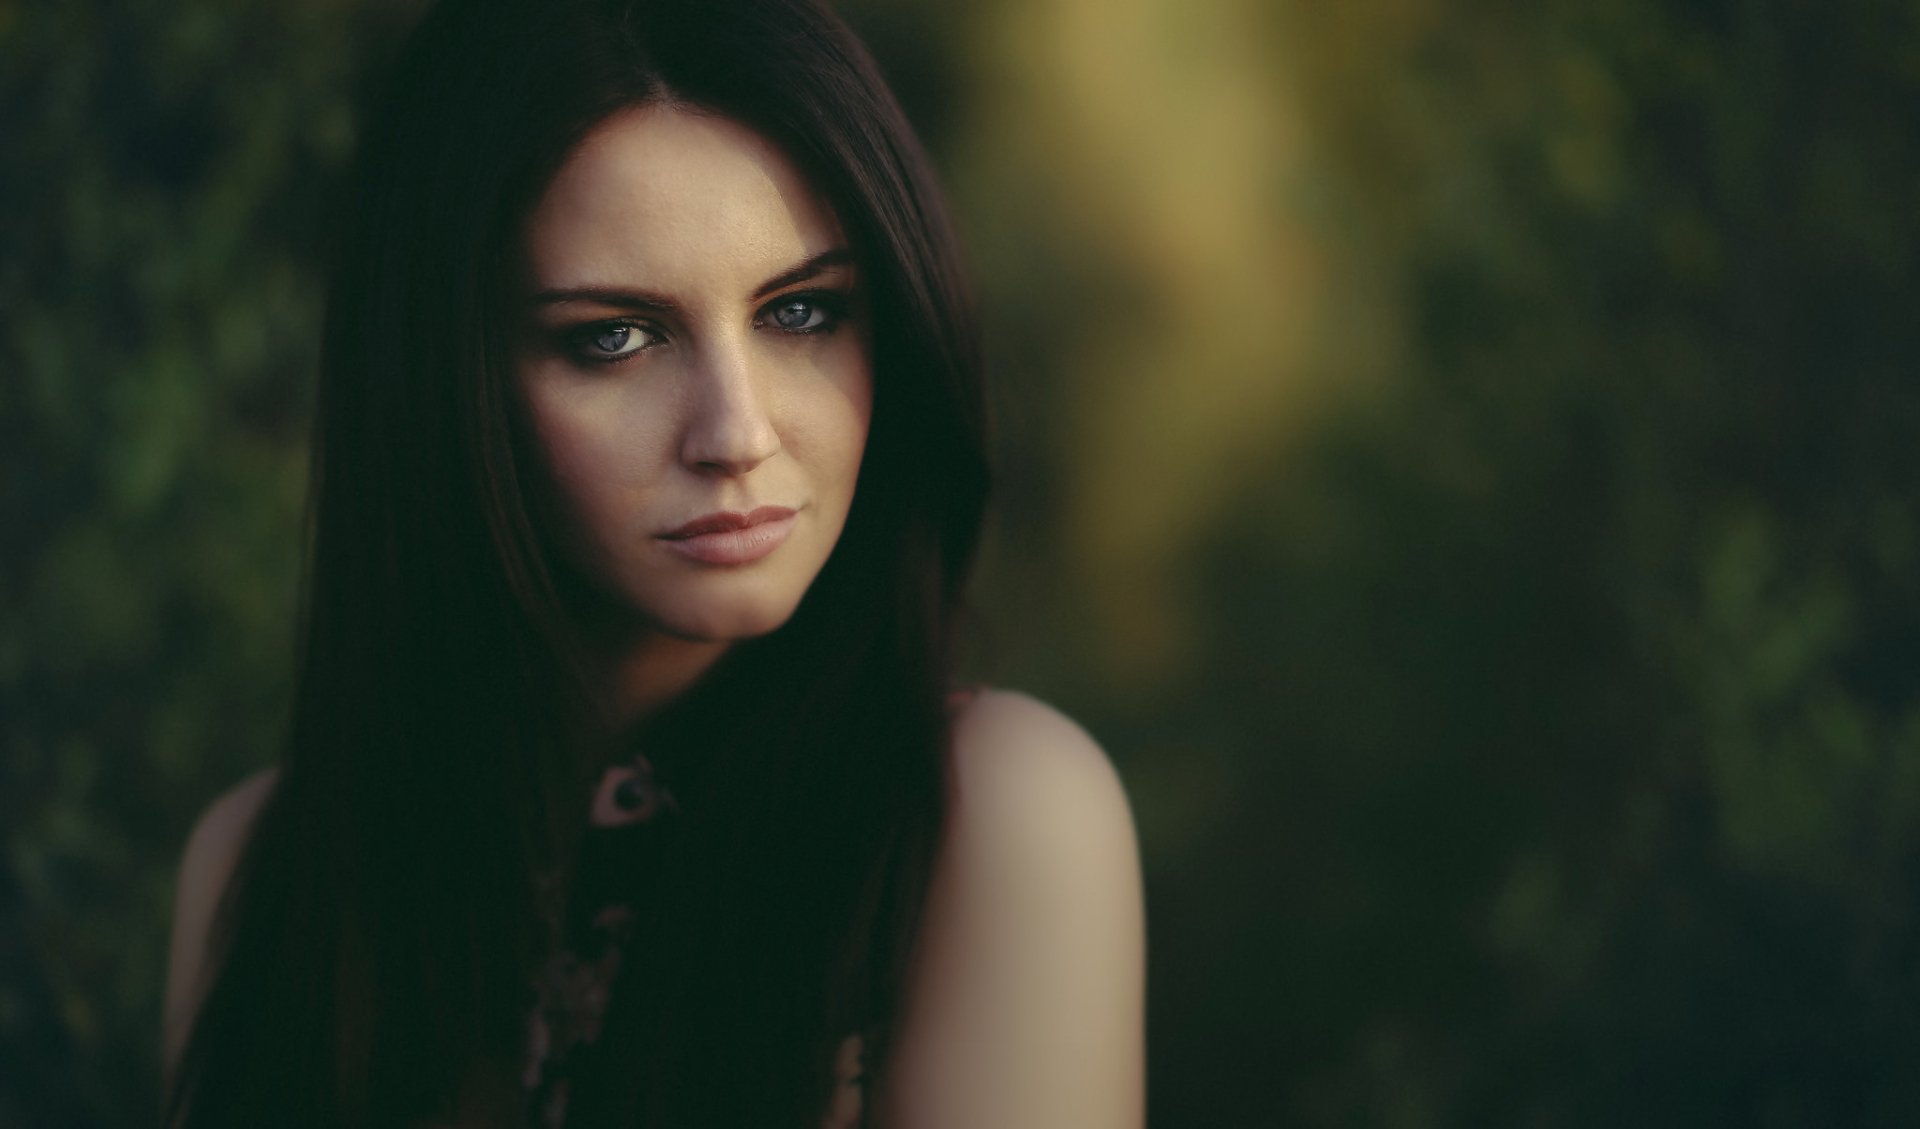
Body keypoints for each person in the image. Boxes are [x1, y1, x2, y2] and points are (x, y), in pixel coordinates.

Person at [158, 0, 1144, 1126]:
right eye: (613, 337)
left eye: (802, 311)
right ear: (447, 378)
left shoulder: (994, 813)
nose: (736, 434)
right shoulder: (264, 872)